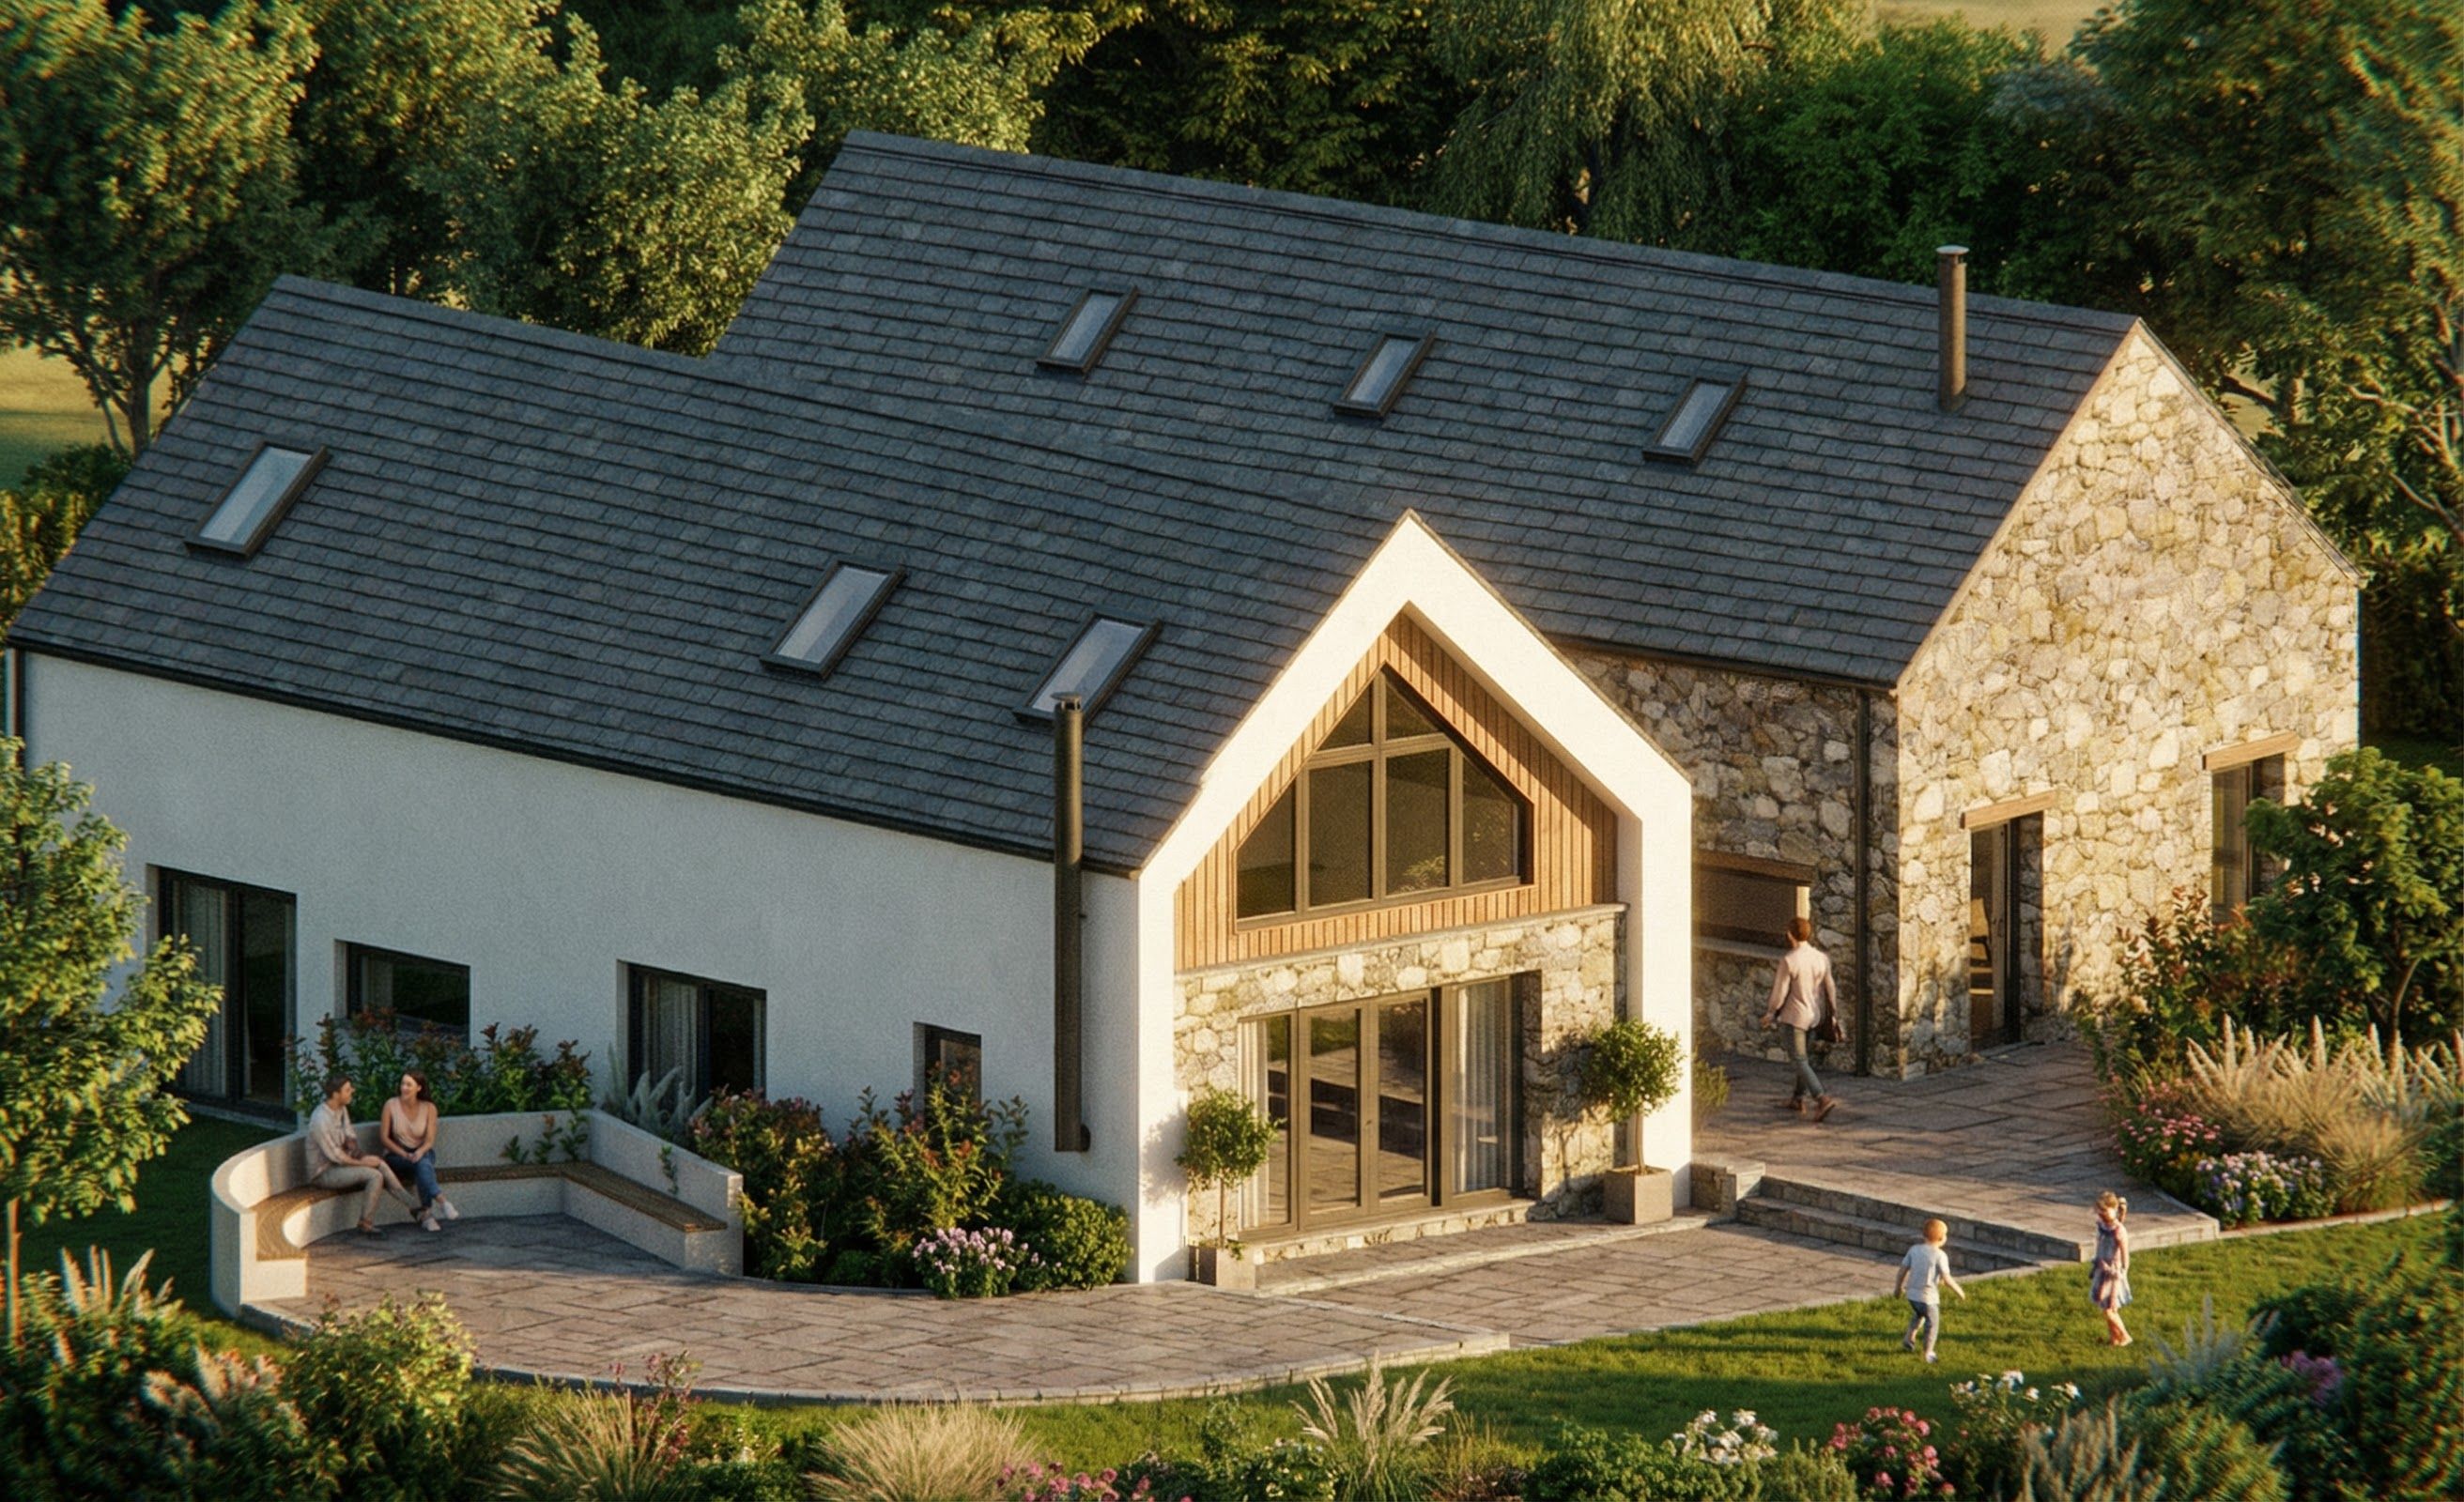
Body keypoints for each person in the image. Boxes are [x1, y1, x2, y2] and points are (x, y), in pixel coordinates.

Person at [305, 1073, 424, 1235]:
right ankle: (365, 1223)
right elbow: (336, 1156)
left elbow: (350, 1134)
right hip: (324, 1173)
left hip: (343, 1163)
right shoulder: (320, 1119)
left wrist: (357, 1151)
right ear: (336, 1094)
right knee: (374, 1176)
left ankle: (415, 1207)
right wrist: (364, 1163)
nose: (352, 1091)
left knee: (380, 1163)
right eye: (348, 1090)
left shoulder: (341, 1109)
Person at [1763, 914, 1840, 1121]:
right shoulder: (1821, 958)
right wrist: (1833, 1014)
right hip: (1815, 1015)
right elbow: (1830, 987)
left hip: (1795, 1017)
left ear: (1790, 934)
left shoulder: (1789, 960)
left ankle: (1821, 1098)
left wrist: (1771, 1012)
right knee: (1804, 1059)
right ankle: (1797, 1098)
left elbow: (1780, 992)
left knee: (1799, 1060)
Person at [379, 1070, 458, 1231]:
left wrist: (419, 1152)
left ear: (419, 1088)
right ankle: (442, 1201)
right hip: (397, 1155)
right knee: (423, 1165)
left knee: (422, 1164)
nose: (404, 1088)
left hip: (422, 1152)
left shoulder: (429, 1108)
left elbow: (429, 1140)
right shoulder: (391, 1105)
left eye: (409, 1085)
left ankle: (427, 1216)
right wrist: (405, 1154)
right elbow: (384, 1138)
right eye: (403, 1084)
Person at [1895, 1218, 1966, 1363]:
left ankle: (1909, 1338)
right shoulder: (1940, 1255)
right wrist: (1959, 1291)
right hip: (1928, 1298)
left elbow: (1902, 1271)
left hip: (1912, 1295)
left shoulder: (1914, 1250)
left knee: (1919, 1314)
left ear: (1924, 1235)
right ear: (1942, 1238)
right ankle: (1928, 1352)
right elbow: (1947, 1278)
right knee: (1932, 1323)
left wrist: (1898, 1288)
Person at [2091, 1190, 2133, 1345]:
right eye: (2100, 1210)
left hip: (2113, 1274)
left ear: (2114, 1209)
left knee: (2109, 1309)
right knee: (2107, 1307)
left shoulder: (2119, 1231)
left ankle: (2125, 1336)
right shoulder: (2102, 1227)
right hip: (2101, 1270)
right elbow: (2099, 1244)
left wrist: (2121, 1272)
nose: (2101, 1213)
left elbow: (2125, 1257)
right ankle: (2114, 1337)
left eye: (2105, 1210)